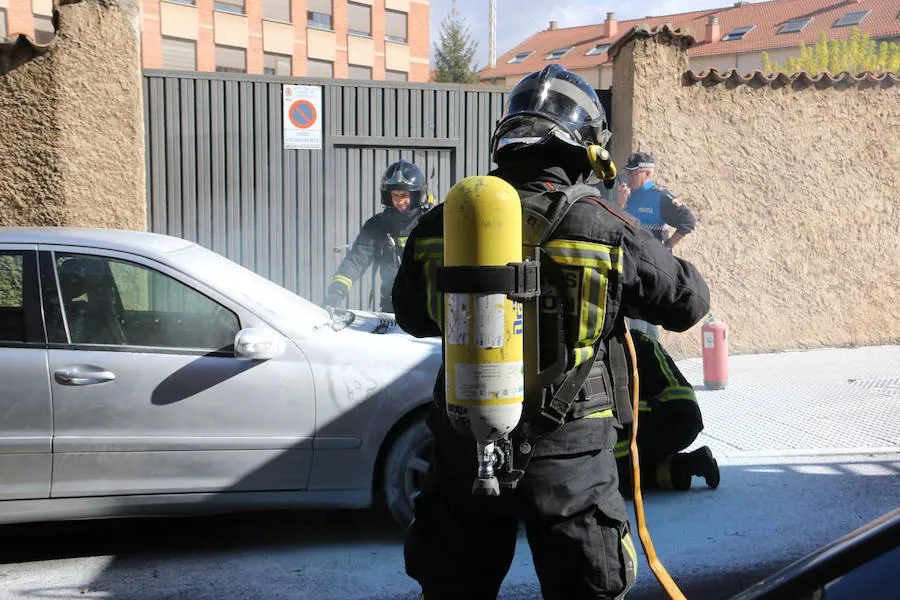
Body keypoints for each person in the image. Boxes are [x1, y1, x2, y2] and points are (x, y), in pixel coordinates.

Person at [392, 64, 710, 600]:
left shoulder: (442, 222)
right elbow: (688, 302)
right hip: (570, 459)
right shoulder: (605, 225)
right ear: (585, 146)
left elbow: (413, 316)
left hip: (464, 445)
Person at [615, 329, 720, 498]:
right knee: (623, 466)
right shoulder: (636, 338)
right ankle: (691, 464)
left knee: (610, 477)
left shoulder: (614, 346)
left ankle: (626, 478)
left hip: (669, 416)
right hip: (679, 417)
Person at [323, 160, 428, 313]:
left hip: (427, 307)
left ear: (416, 195)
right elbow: (356, 261)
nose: (399, 201)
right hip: (392, 306)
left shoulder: (429, 224)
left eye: (404, 195)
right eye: (395, 195)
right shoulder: (377, 226)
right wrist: (336, 292)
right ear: (388, 196)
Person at [616, 152, 697, 339]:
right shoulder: (625, 194)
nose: (628, 177)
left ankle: (648, 357)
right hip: (630, 263)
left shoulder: (660, 196)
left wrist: (668, 245)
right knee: (636, 318)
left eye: (633, 173)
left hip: (651, 266)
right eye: (627, 172)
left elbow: (688, 221)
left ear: (648, 173)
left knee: (646, 320)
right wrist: (620, 205)